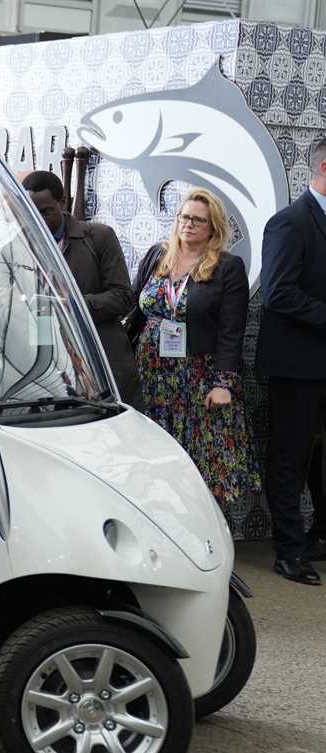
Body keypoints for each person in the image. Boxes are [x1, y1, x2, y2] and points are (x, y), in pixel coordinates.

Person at [127, 189, 259, 520]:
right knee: (152, 462)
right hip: (151, 378)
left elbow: (232, 331)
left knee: (199, 465)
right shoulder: (157, 256)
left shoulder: (227, 267)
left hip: (199, 381)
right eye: (184, 217)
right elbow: (134, 310)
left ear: (213, 227)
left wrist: (223, 383)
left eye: (198, 220)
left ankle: (201, 536)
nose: (188, 224)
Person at [257, 138, 326, 587]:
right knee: (290, 457)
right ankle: (289, 551)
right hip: (297, 366)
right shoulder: (289, 222)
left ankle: (319, 535)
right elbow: (278, 293)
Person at [22, 171, 140, 408]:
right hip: (46, 367)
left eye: (45, 212)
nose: (39, 220)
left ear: (63, 202)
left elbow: (124, 297)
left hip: (100, 362)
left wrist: (75, 304)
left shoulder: (99, 237)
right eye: (31, 213)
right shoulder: (15, 246)